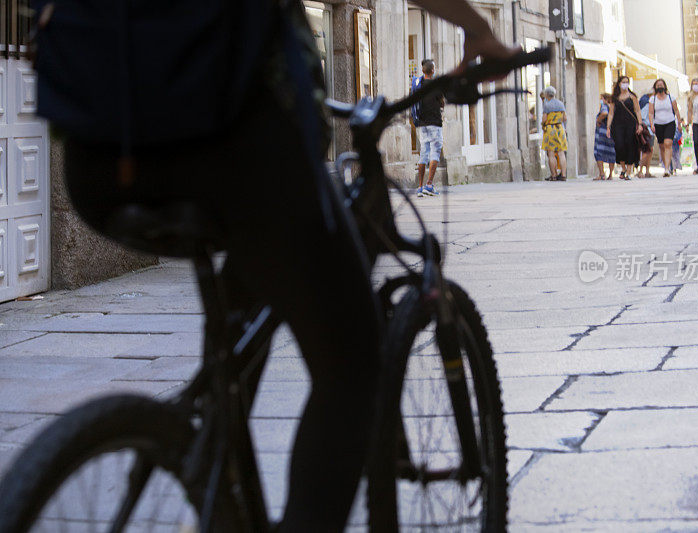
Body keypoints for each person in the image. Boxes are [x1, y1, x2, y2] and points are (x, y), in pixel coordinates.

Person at [52, 1, 519, 530]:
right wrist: (478, 28)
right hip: (234, 139)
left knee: (258, 278)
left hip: (97, 158)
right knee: (354, 363)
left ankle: (213, 465)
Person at [415, 58, 444, 197]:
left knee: (423, 153)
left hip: (422, 124)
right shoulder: (436, 85)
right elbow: (442, 102)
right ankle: (429, 184)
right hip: (434, 123)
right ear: (432, 70)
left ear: (422, 70)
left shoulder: (418, 85)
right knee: (435, 152)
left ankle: (420, 187)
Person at [606, 75, 643, 180]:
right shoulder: (615, 98)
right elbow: (611, 113)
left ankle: (628, 171)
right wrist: (608, 126)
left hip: (630, 124)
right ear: (619, 83)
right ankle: (623, 168)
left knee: (630, 145)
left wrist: (640, 124)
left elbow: (637, 110)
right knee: (619, 146)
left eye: (627, 82)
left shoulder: (632, 97)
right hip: (617, 125)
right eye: (623, 82)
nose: (625, 84)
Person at [648, 79, 682, 177]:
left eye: (661, 85)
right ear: (655, 87)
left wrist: (679, 123)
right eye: (658, 85)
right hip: (658, 124)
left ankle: (667, 169)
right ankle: (666, 165)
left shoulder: (671, 97)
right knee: (662, 146)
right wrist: (651, 124)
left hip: (670, 122)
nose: (660, 87)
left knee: (668, 143)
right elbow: (650, 113)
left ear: (665, 86)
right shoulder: (652, 99)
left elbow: (676, 110)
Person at [542, 86, 568, 181]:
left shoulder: (547, 105)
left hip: (550, 129)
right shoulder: (561, 104)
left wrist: (543, 125)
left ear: (546, 95)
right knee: (561, 153)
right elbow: (565, 118)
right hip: (560, 128)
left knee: (551, 153)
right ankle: (563, 175)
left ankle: (553, 175)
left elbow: (544, 119)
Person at [594, 93, 616, 180]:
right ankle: (610, 174)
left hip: (602, 132)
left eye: (601, 98)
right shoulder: (613, 107)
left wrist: (598, 120)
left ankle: (602, 173)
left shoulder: (604, 106)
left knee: (598, 152)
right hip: (611, 132)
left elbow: (604, 113)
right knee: (611, 152)